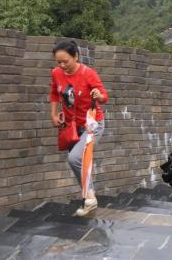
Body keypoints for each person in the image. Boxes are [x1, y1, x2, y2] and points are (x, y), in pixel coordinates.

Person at [50, 40, 109, 217]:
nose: (62, 65)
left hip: (92, 125)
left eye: (65, 61)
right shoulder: (56, 73)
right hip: (72, 127)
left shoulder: (88, 74)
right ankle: (89, 199)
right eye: (58, 62)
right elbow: (54, 93)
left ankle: (89, 198)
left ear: (76, 56)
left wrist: (98, 95)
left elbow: (104, 97)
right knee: (80, 162)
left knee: (75, 158)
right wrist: (54, 114)